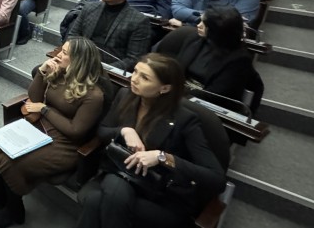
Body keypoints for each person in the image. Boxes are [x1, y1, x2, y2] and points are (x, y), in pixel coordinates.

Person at [76, 54, 226, 228]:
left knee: (99, 199)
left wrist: (163, 157)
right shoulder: (126, 95)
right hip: (123, 174)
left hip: (162, 195)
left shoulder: (185, 120)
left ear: (164, 88)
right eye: (135, 71)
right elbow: (102, 131)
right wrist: (124, 130)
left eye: (144, 77)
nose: (134, 79)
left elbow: (216, 178)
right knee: (111, 191)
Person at [0, 38, 105, 227]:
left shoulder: (93, 95)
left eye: (64, 53)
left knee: (14, 162)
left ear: (78, 61)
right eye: (60, 50)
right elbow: (34, 98)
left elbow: (76, 131)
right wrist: (41, 73)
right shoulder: (60, 72)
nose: (58, 55)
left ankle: (14, 209)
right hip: (40, 127)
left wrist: (45, 110)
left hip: (65, 144)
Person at [171, 5, 259, 103]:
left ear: (217, 29)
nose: (198, 25)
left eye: (204, 24)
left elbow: (216, 97)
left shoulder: (239, 60)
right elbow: (177, 69)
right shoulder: (194, 38)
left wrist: (177, 92)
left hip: (205, 105)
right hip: (180, 94)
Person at [70, 0, 151, 72]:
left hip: (108, 70)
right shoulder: (89, 7)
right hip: (79, 59)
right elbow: (73, 35)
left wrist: (102, 69)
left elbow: (133, 59)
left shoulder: (139, 21)